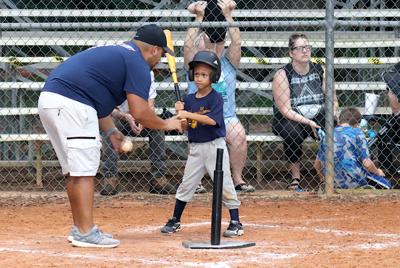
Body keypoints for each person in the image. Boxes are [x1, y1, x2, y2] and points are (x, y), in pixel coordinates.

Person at [38, 24, 182, 248]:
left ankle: (80, 228)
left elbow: (96, 97)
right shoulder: (138, 64)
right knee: (84, 171)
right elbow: (140, 112)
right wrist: (167, 124)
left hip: (51, 101)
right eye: (162, 53)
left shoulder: (119, 53)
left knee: (76, 171)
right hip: (73, 104)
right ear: (154, 49)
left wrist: (111, 130)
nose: (161, 59)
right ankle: (85, 232)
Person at [160, 51, 244, 237]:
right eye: (197, 74)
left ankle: (236, 221)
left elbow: (212, 121)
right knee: (186, 184)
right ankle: (175, 219)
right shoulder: (189, 100)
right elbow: (184, 128)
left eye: (204, 75)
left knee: (225, 184)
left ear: (213, 77)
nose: (199, 78)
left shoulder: (215, 98)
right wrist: (179, 115)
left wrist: (187, 114)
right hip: (196, 148)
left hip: (216, 147)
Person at [184, 0, 255, 193]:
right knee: (198, 138)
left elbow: (237, 41)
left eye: (219, 41)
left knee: (239, 135)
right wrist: (199, 17)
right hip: (200, 113)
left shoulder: (228, 61)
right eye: (209, 40)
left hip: (226, 116)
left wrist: (228, 16)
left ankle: (237, 178)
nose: (214, 45)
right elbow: (188, 44)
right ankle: (196, 181)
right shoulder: (196, 62)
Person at [272, 33, 339, 191]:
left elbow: (333, 99)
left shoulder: (319, 69)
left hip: (318, 113)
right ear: (291, 53)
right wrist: (308, 122)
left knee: (333, 126)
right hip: (291, 117)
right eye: (300, 48)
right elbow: (285, 109)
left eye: (307, 47)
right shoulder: (283, 74)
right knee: (292, 133)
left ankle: (327, 175)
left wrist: (334, 112)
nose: (305, 51)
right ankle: (296, 177)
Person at [100, 71, 175, 196]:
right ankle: (110, 177)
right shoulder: (115, 72)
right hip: (120, 118)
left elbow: (150, 107)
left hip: (141, 117)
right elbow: (109, 109)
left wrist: (143, 121)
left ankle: (158, 179)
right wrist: (126, 116)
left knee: (157, 126)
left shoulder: (146, 73)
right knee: (109, 126)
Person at [314, 107, 391, 189]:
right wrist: (378, 172)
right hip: (355, 179)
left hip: (331, 181)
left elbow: (317, 165)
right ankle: (363, 188)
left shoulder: (328, 135)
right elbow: (367, 164)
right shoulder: (357, 133)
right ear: (358, 123)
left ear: (339, 120)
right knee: (387, 184)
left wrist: (322, 178)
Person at [377, 63, 400, 173]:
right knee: (383, 135)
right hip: (396, 116)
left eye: (390, 91)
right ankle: (386, 168)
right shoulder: (397, 70)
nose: (388, 94)